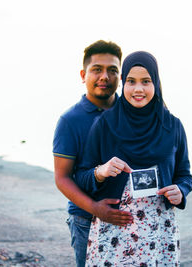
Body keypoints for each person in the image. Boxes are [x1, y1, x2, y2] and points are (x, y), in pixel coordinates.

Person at [76, 51, 192, 266]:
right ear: (123, 83)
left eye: (146, 81)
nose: (138, 89)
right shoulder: (104, 125)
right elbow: (81, 177)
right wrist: (100, 172)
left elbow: (185, 175)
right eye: (131, 81)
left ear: (156, 84)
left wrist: (180, 191)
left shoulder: (173, 126)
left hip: (159, 232)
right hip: (113, 232)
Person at [52, 40, 133, 267]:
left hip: (130, 218)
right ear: (83, 74)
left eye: (112, 70)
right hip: (86, 218)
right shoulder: (70, 120)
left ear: (121, 76)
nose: (105, 76)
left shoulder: (133, 113)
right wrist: (96, 209)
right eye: (97, 69)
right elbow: (62, 178)